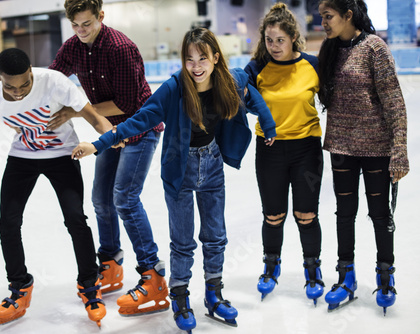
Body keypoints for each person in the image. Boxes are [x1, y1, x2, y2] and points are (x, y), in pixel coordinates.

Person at [71, 27, 277, 332]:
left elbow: (251, 92)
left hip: (212, 165)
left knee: (215, 237)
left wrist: (268, 124)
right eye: (189, 59)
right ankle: (180, 297)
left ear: (215, 58)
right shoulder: (175, 87)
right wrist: (98, 144)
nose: (196, 66)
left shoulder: (230, 78)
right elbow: (140, 119)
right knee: (182, 242)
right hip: (179, 171)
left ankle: (214, 294)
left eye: (202, 58)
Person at [48, 0, 168, 316]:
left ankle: (152, 275)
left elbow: (128, 103)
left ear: (101, 16)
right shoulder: (73, 46)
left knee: (125, 199)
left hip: (140, 127)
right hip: (110, 132)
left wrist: (75, 110)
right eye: (75, 25)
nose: (81, 31)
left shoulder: (120, 48)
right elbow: (54, 78)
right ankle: (111, 263)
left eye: (87, 24)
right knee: (101, 200)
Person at [0, 48, 112, 327]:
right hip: (22, 158)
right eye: (10, 86)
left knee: (76, 219)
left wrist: (111, 134)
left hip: (63, 157)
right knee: (8, 223)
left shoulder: (54, 82)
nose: (18, 92)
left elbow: (91, 115)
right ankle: (19, 288)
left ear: (32, 72)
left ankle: (90, 285)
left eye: (25, 84)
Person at [318, 0, 409, 314]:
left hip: (376, 149)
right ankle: (346, 277)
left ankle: (385, 275)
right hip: (341, 148)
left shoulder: (375, 48)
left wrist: (399, 152)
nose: (323, 23)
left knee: (380, 215)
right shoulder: (329, 51)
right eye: (321, 17)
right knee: (344, 214)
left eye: (328, 17)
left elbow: (395, 103)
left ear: (348, 15)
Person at [244, 3, 325, 305]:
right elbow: (236, 99)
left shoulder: (312, 65)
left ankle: (313, 268)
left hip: (307, 149)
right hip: (270, 149)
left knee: (306, 215)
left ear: (293, 38)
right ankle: (271, 264)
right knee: (273, 215)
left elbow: (336, 99)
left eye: (280, 40)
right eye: (269, 40)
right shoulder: (256, 69)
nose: (274, 46)